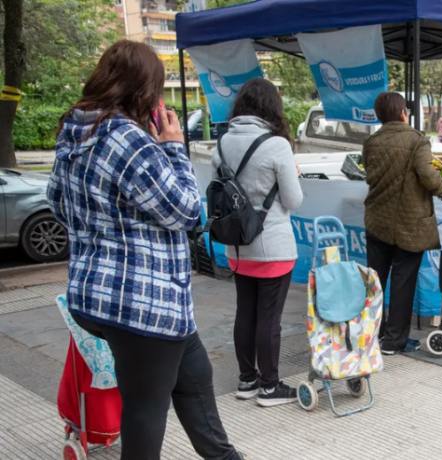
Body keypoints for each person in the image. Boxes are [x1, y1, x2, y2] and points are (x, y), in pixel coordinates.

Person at [46, 41, 241, 460]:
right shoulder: (128, 140)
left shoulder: (75, 131)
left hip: (99, 296)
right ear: (144, 91)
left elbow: (58, 204)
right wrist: (172, 145)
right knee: (145, 410)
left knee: (193, 375)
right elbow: (188, 212)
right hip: (142, 305)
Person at [212, 79, 304, 407]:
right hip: (273, 246)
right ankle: (269, 386)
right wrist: (292, 171)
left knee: (245, 314)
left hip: (237, 247)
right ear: (272, 107)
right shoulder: (277, 145)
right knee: (269, 319)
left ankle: (247, 380)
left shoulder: (221, 144)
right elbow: (294, 200)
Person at [364, 92, 442, 354]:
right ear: (403, 112)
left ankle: (372, 335)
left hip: (377, 220)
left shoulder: (371, 142)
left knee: (376, 282)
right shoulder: (417, 140)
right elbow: (427, 175)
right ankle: (394, 341)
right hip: (408, 223)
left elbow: (370, 176)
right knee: (403, 282)